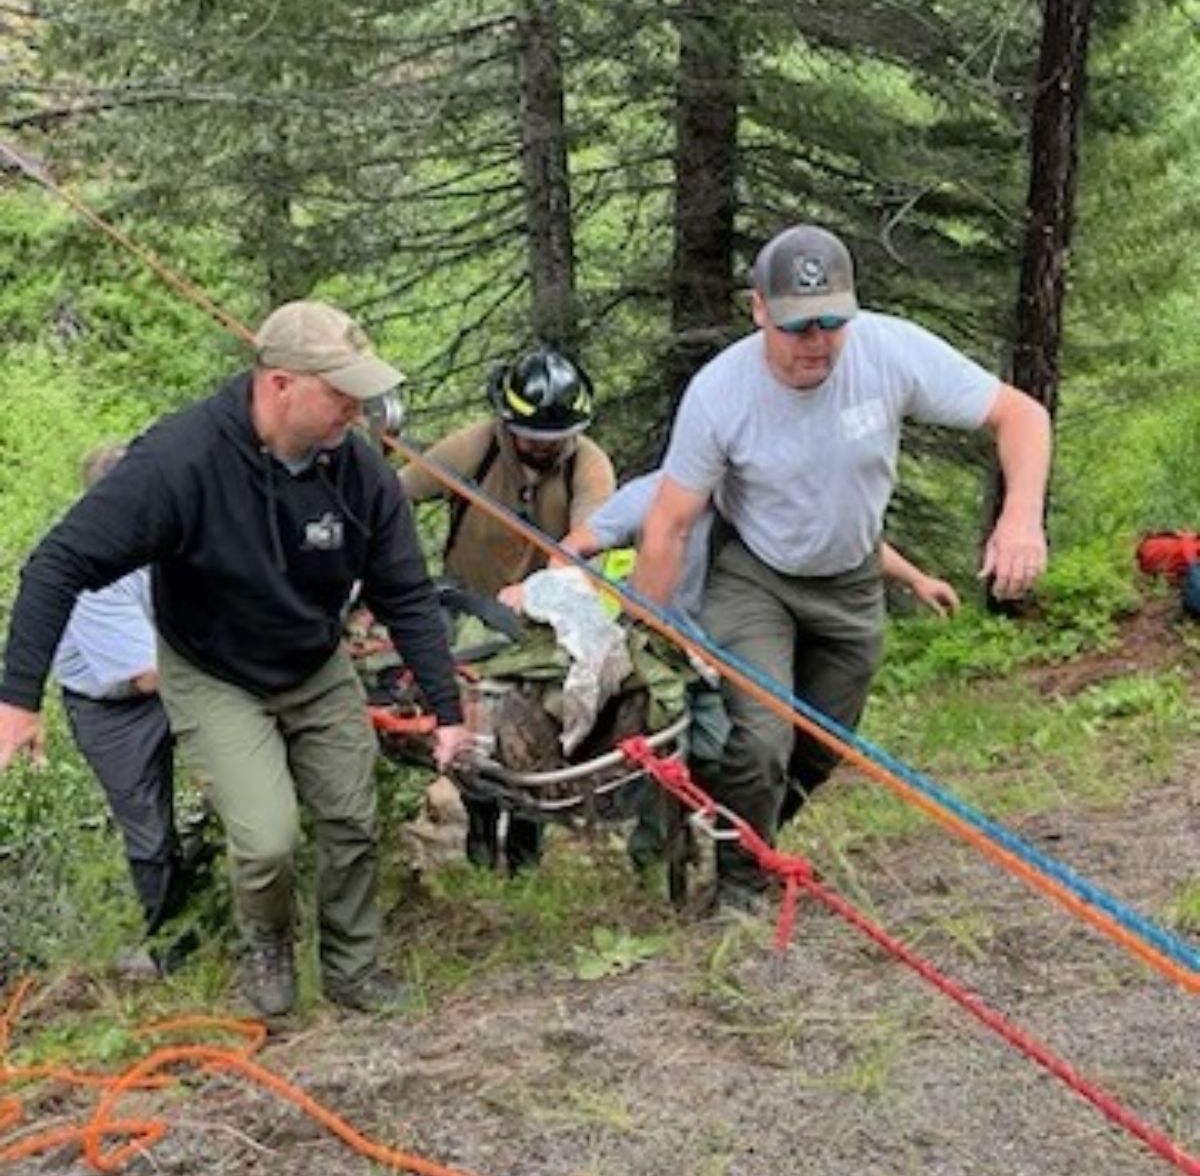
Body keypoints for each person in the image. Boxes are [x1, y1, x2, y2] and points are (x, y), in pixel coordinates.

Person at [0, 300, 470, 1016]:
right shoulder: (179, 462)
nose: (356, 409)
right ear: (281, 384)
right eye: (341, 392)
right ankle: (267, 947)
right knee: (267, 838)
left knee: (349, 817)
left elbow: (404, 591)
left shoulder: (359, 474)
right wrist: (18, 701)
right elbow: (56, 564)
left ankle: (353, 969)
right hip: (213, 671)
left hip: (314, 662)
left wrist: (445, 708)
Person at [633, 224, 1051, 911]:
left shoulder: (889, 351)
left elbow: (1020, 416)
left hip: (851, 579)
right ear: (759, 309)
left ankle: (745, 835)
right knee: (762, 738)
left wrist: (1020, 516)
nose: (816, 341)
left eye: (832, 321)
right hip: (755, 576)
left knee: (822, 746)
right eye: (798, 325)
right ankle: (740, 889)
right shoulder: (719, 394)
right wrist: (642, 638)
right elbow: (669, 524)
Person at [538, 470, 961, 868]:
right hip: (671, 653)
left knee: (744, 754)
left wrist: (916, 578)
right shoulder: (653, 494)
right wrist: (552, 590)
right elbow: (574, 548)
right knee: (670, 756)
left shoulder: (769, 493)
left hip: (744, 655)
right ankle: (658, 851)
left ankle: (741, 846)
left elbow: (853, 544)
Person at [399, 346, 616, 874]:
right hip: (468, 618)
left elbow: (595, 538)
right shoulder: (476, 448)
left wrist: (547, 585)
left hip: (542, 623)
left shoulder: (588, 465)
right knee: (473, 732)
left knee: (531, 732)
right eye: (532, 439)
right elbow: (397, 492)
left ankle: (525, 843)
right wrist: (397, 571)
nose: (544, 449)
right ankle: (477, 827)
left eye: (556, 439)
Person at [52, 443, 196, 953]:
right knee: (149, 830)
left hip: (182, 671)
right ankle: (173, 943)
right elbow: (146, 676)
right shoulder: (88, 565)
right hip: (113, 708)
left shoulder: (181, 526)